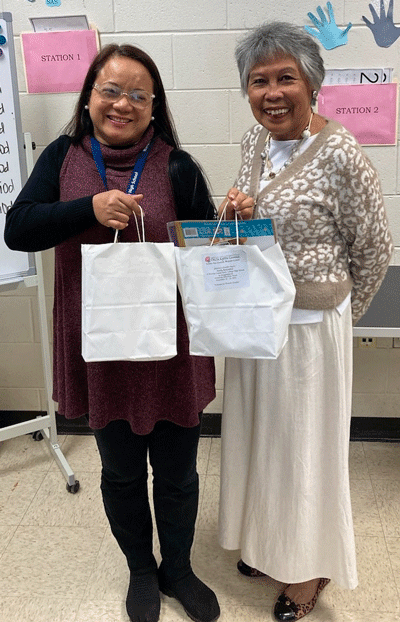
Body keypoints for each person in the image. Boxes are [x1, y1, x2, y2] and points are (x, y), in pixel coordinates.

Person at [5, 44, 220, 622]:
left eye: (138, 95)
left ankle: (179, 569)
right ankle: (141, 570)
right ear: (88, 97)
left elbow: (208, 248)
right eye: (111, 90)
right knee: (121, 473)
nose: (122, 104)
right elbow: (18, 229)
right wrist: (89, 208)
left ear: (154, 107)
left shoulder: (177, 164)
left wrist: (231, 219)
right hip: (100, 349)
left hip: (171, 349)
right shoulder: (62, 157)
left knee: (178, 476)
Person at [217, 22, 393, 621]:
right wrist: (236, 210)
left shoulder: (341, 152)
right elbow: (255, 215)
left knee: (304, 452)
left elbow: (374, 248)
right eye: (258, 80)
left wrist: (337, 317)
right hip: (256, 321)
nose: (272, 93)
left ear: (312, 84)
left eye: (285, 78)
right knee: (262, 439)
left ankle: (309, 567)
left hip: (310, 332)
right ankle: (268, 542)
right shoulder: (254, 141)